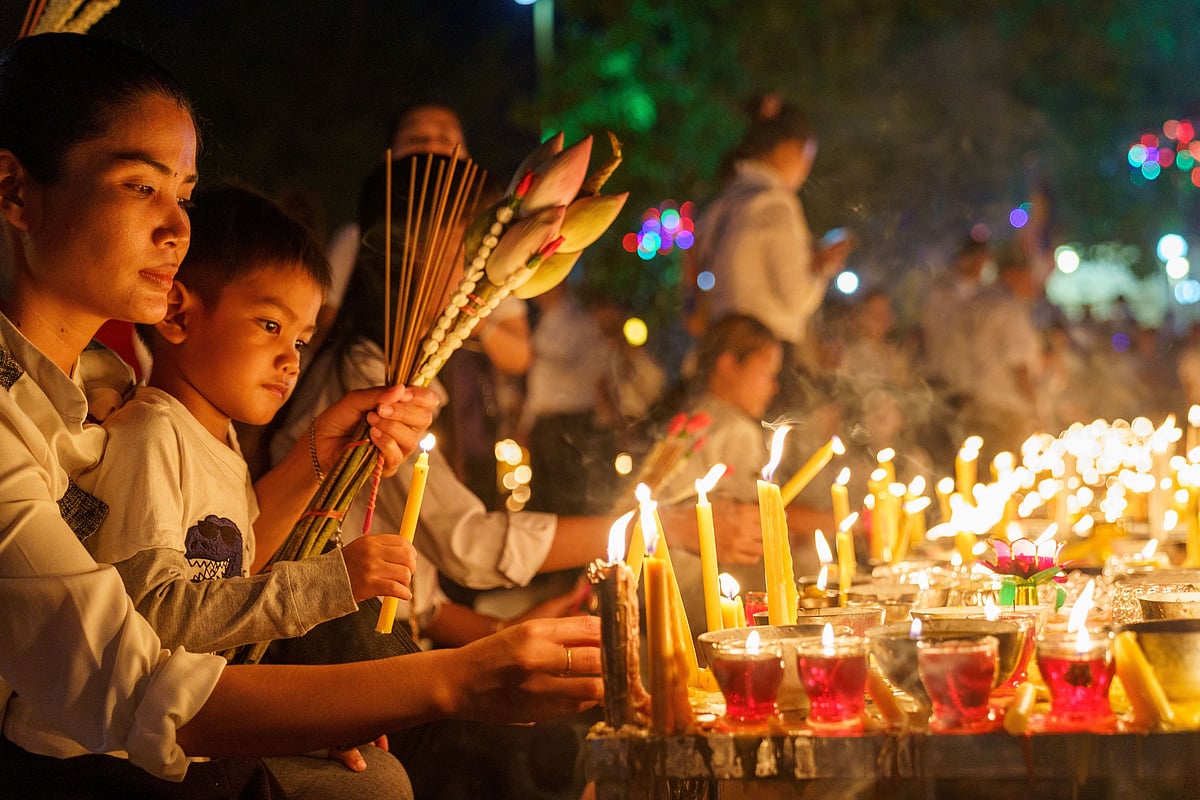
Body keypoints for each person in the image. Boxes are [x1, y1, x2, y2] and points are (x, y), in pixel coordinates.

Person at [0, 32, 601, 795]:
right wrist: (456, 679)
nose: (177, 228)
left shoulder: (98, 387)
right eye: (139, 186)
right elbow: (137, 672)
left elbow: (221, 553)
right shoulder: (93, 421)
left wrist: (324, 452)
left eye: (184, 195)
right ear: (16, 193)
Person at [273, 157, 765, 644]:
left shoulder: (405, 373)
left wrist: (509, 632)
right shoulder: (367, 380)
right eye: (473, 251)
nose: (486, 275)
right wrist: (663, 526)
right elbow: (467, 544)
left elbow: (422, 606)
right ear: (408, 254)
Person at [77, 185, 423, 795]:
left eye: (300, 340)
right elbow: (154, 617)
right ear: (178, 315)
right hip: (120, 753)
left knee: (376, 773)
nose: (291, 361)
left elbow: (232, 571)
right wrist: (331, 583)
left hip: (186, 732)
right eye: (270, 325)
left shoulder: (219, 442)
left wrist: (292, 722)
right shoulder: (150, 436)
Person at [658, 314, 834, 639]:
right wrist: (845, 524)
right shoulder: (734, 430)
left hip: (656, 586)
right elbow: (767, 515)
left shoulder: (695, 417)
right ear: (728, 365)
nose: (773, 386)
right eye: (767, 372)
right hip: (689, 594)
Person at [693, 94, 850, 410]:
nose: (805, 170)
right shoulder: (776, 204)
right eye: (806, 157)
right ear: (788, 148)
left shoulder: (721, 206)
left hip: (722, 354)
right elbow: (796, 297)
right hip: (764, 358)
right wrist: (822, 268)